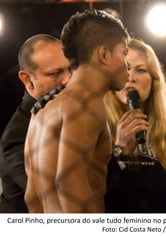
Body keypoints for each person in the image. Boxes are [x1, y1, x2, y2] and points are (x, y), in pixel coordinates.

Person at [24, 9, 130, 213]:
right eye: (124, 53)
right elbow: (69, 183)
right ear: (104, 54)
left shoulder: (41, 112)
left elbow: (33, 197)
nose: (127, 64)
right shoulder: (88, 102)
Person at [103, 38, 166, 212]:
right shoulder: (97, 127)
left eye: (140, 70)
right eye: (125, 68)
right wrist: (119, 151)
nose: (131, 77)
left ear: (153, 80)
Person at [0, 34, 71, 212]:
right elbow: (55, 197)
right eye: (55, 73)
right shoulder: (15, 139)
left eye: (69, 69)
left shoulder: (70, 114)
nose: (67, 80)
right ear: (27, 79)